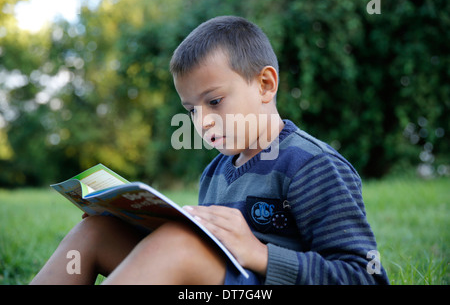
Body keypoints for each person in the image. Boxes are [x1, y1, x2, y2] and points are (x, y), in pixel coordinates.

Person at [30, 15, 389, 285]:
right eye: (191, 110)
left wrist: (261, 255)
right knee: (97, 232)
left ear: (265, 84)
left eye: (214, 101)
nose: (202, 122)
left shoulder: (311, 164)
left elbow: (365, 275)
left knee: (177, 243)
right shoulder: (215, 172)